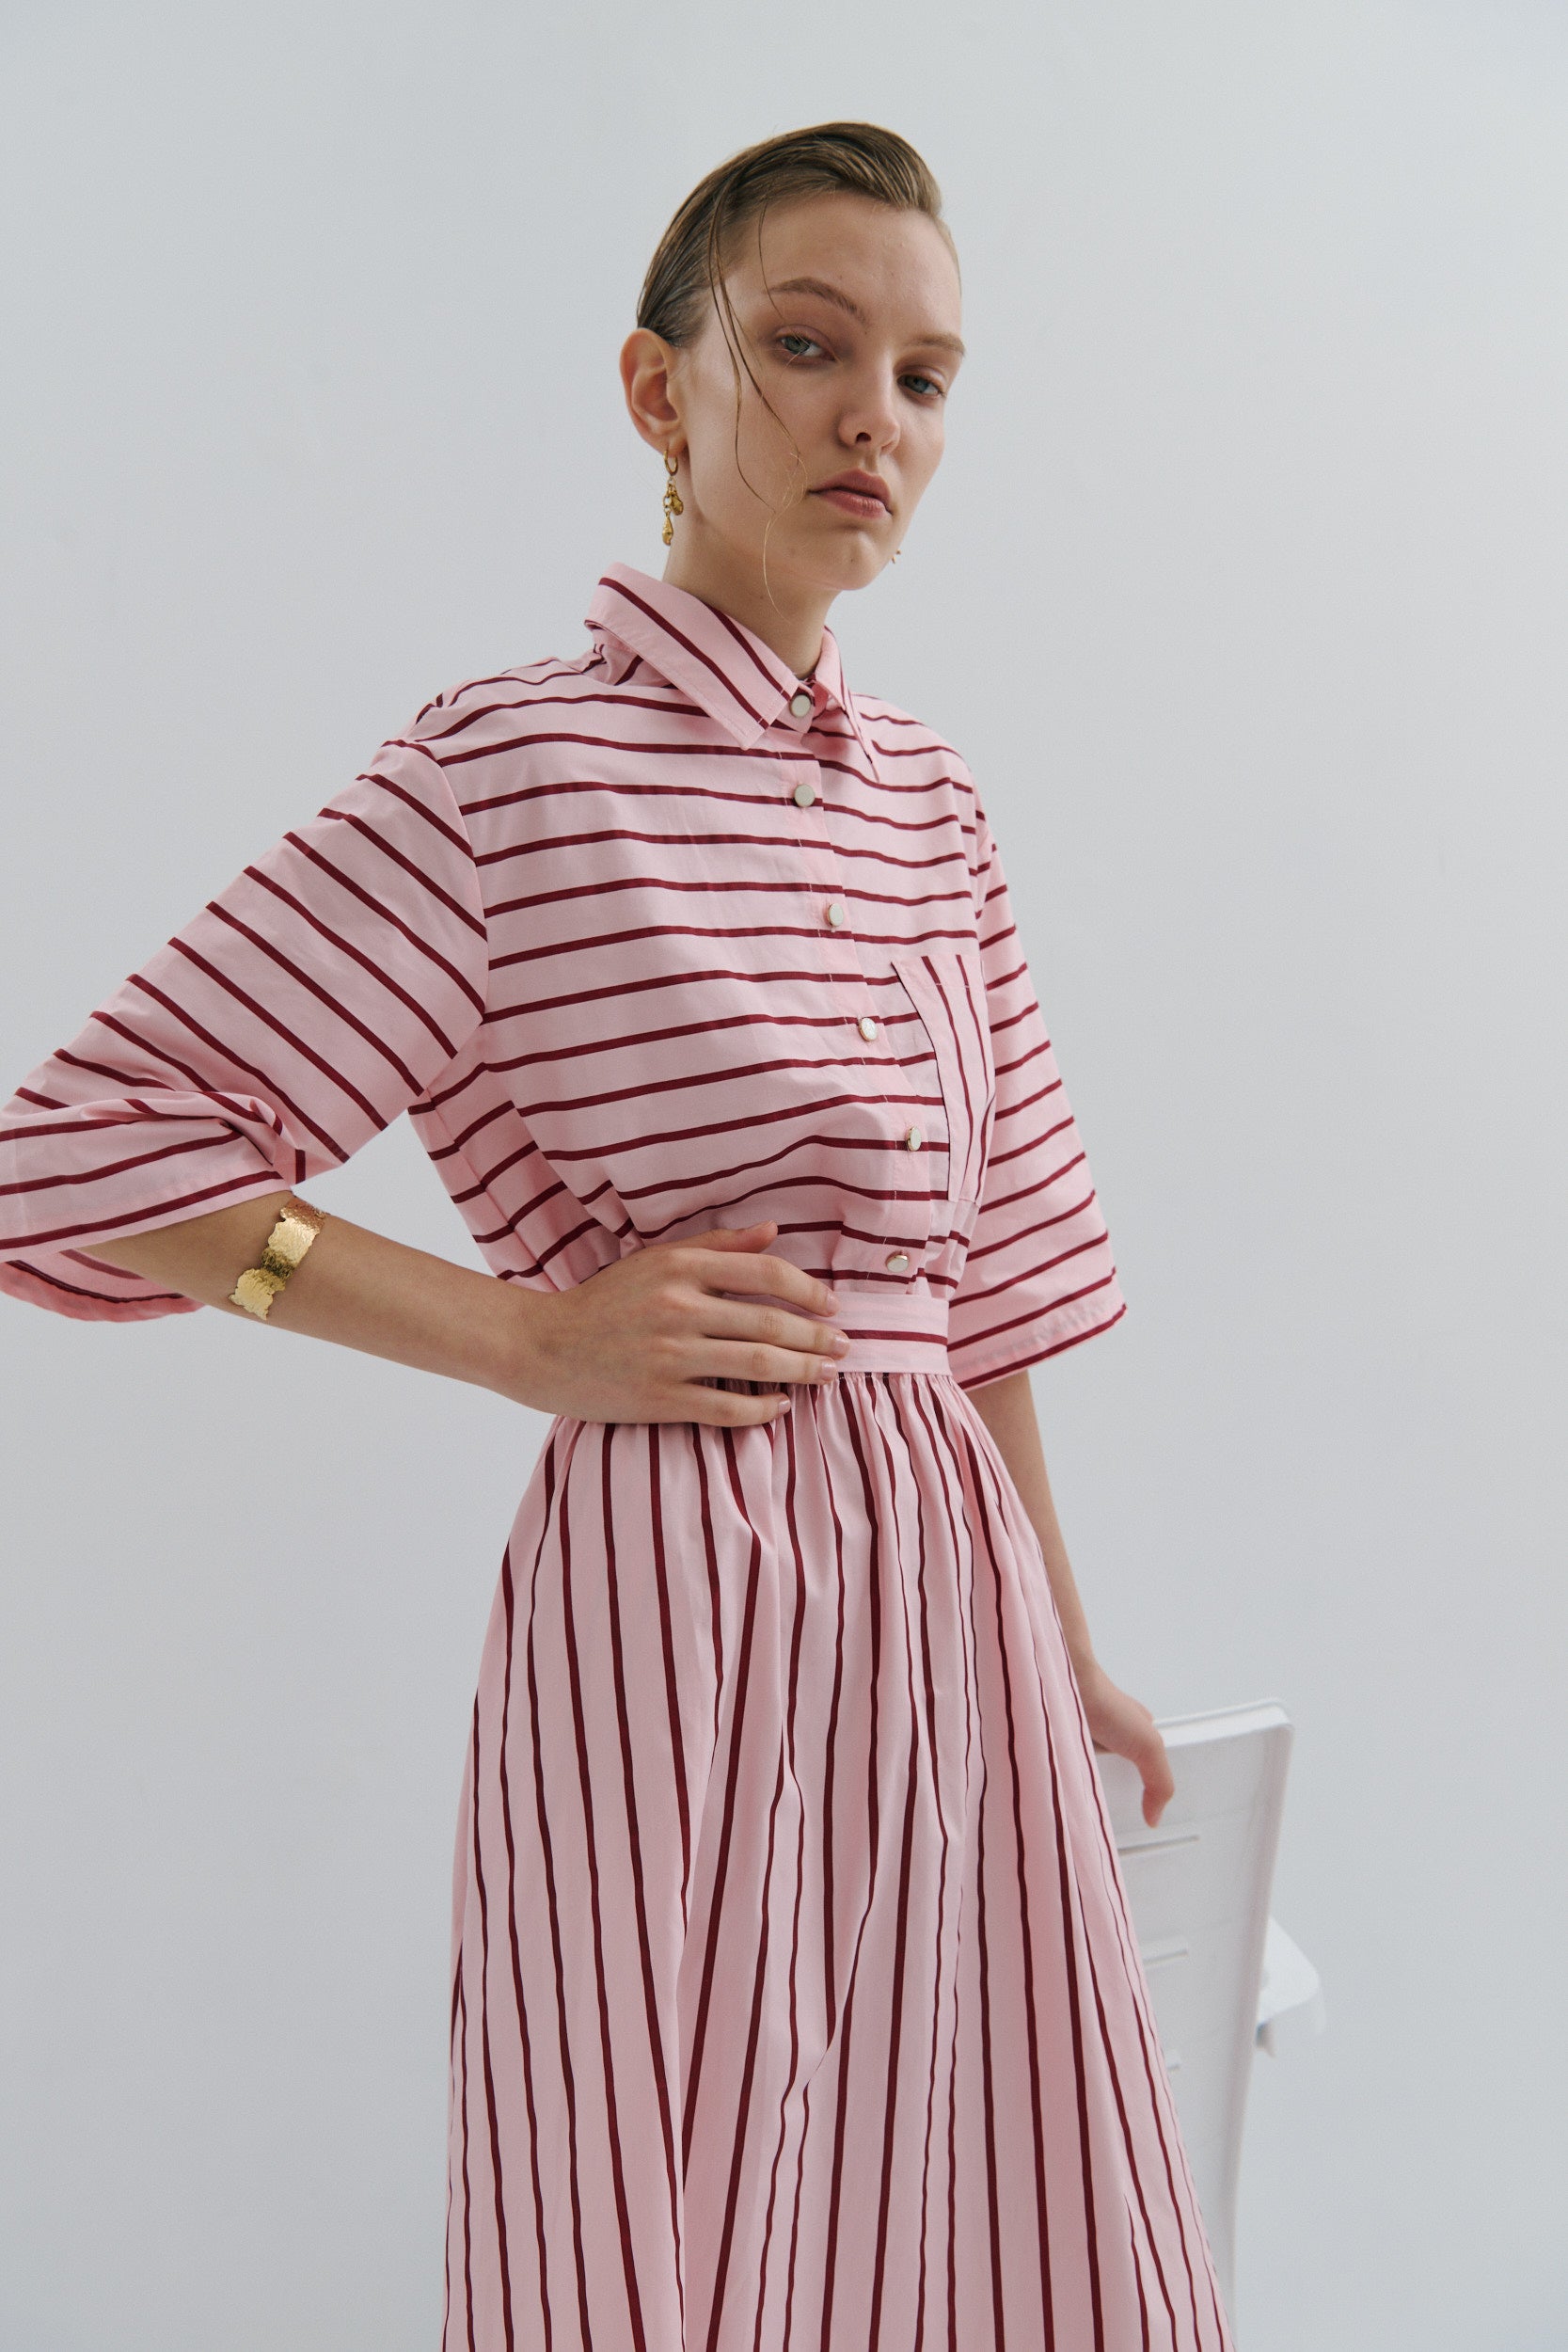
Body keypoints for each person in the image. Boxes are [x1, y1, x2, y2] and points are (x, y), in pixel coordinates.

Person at [0, 121, 1232, 2352]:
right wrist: (524, 1338)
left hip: (944, 1594)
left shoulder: (933, 800)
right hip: (681, 1589)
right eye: (809, 346)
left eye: (927, 377)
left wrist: (1060, 1638)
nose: (876, 419)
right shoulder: (511, 777)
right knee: (662, 2209)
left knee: (1003, 2216)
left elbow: (986, 1293)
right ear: (662, 389)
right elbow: (80, 1148)